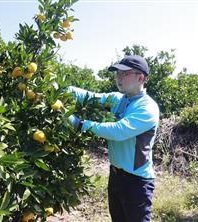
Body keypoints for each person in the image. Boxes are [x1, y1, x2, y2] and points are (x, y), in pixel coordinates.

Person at [68, 55, 159, 222]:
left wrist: (80, 124)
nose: (119, 77)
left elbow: (119, 131)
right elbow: (90, 96)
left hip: (137, 182)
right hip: (116, 175)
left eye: (124, 74)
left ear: (140, 78)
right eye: (117, 73)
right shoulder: (119, 99)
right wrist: (64, 89)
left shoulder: (147, 108)